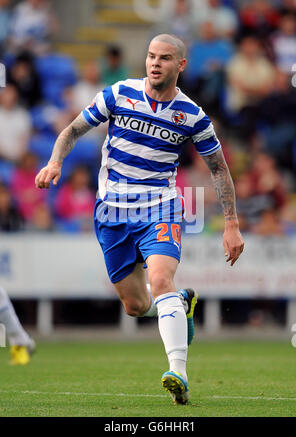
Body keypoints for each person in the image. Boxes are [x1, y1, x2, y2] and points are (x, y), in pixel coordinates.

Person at [35, 34, 244, 405]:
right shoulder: (118, 94)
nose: (154, 63)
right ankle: (181, 303)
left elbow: (219, 169)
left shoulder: (192, 115)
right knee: (134, 306)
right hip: (112, 211)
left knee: (160, 278)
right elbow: (71, 131)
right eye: (150, 56)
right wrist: (55, 162)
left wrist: (231, 223)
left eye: (164, 58)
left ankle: (177, 373)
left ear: (180, 65)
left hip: (159, 207)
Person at [0, 286, 35, 364]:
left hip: (4, 308)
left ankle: (23, 347)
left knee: (13, 330)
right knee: (11, 331)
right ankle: (25, 344)